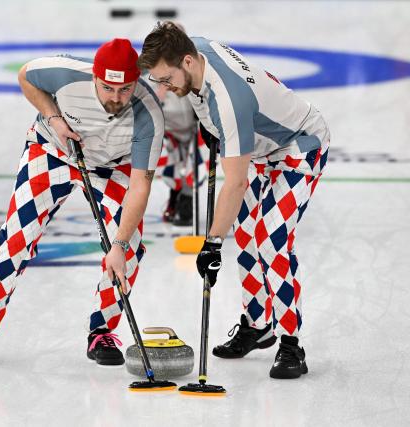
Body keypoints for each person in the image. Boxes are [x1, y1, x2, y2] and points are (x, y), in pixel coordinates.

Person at [0, 39, 164, 367]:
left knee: (129, 248)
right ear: (94, 77)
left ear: (136, 82)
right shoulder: (65, 73)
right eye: (107, 87)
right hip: (53, 149)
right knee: (17, 237)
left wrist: (120, 244)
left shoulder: (149, 114)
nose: (115, 98)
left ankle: (101, 331)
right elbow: (26, 76)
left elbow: (141, 185)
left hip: (114, 165)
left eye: (124, 89)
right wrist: (54, 117)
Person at [138, 22, 330, 379]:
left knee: (271, 241)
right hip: (261, 145)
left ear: (188, 62)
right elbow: (202, 93)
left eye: (166, 80)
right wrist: (212, 128)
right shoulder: (191, 49)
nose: (163, 89)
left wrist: (211, 243)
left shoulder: (228, 102)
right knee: (245, 236)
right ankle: (258, 325)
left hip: (299, 145)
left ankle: (291, 344)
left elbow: (236, 183)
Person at [154, 84, 208, 225]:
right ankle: (175, 197)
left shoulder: (186, 75)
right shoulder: (148, 79)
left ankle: (186, 201)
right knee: (171, 164)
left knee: (196, 164)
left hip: (195, 130)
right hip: (168, 134)